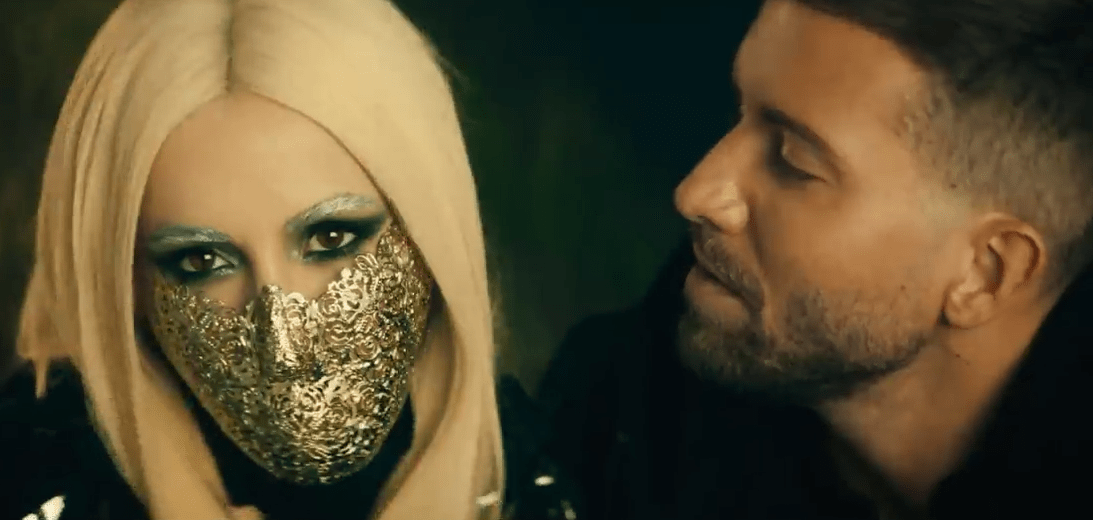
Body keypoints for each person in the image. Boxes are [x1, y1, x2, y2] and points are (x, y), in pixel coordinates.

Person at [0, 0, 577, 519]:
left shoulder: (554, 467)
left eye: (331, 238)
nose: (284, 348)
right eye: (201, 261)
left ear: (432, 232)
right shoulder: (37, 480)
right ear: (124, 280)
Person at [539, 0, 1093, 519]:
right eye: (739, 112)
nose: (697, 192)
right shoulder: (629, 408)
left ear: (983, 273)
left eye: (792, 161)